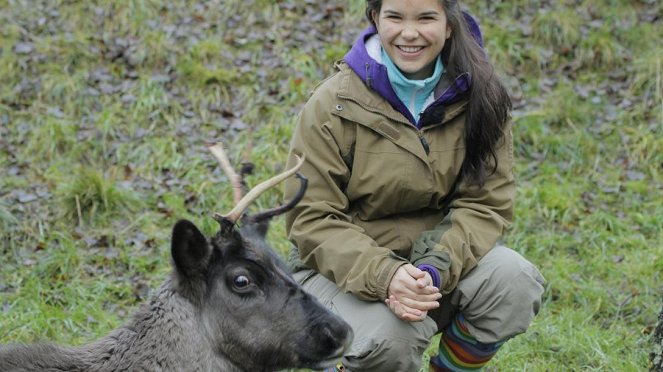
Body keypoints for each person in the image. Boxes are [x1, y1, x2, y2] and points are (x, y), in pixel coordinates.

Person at [283, 0, 545, 371]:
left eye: (426, 17)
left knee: (514, 281)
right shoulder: (332, 103)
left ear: (449, 24)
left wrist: (434, 269)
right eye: (395, 17)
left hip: (435, 265)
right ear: (375, 18)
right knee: (392, 337)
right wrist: (386, 276)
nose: (409, 33)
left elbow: (484, 204)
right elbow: (311, 217)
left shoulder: (481, 97)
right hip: (337, 272)